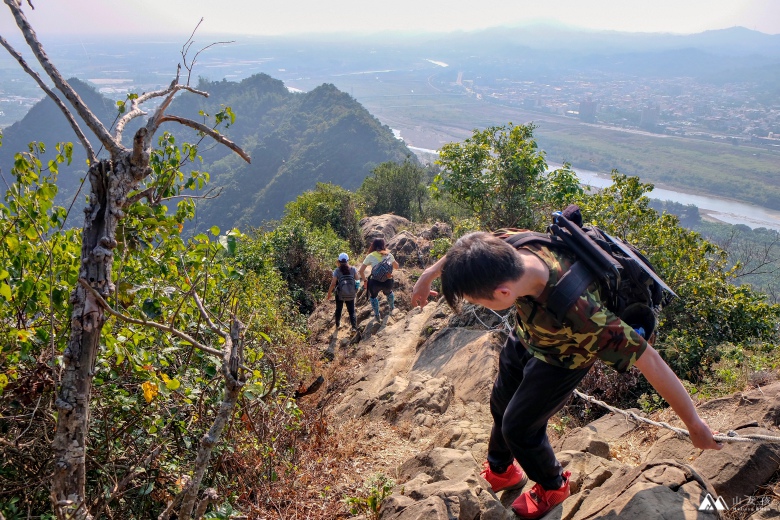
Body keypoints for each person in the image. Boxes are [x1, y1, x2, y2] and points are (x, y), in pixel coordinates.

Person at [411, 231, 722, 519]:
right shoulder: (514, 246)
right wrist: (429, 274)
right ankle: (502, 469)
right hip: (529, 336)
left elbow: (649, 359)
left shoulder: (580, 311)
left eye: (476, 300)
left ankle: (553, 484)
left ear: (503, 291)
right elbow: (473, 243)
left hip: (563, 360)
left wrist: (694, 424)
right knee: (500, 404)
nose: (474, 304)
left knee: (519, 428)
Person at [358, 238, 399, 321]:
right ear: (383, 245)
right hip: (387, 282)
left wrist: (365, 281)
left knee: (373, 297)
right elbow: (397, 267)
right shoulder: (388, 255)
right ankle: (392, 308)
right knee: (389, 293)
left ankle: (377, 315)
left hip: (375, 282)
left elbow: (361, 271)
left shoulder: (370, 256)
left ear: (373, 245)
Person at [326, 252, 359, 331]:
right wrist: (355, 290)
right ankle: (354, 327)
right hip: (351, 293)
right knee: (351, 311)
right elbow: (357, 281)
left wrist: (329, 293)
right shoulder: (353, 269)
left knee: (339, 309)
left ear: (339, 261)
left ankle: (338, 324)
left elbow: (333, 283)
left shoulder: (337, 271)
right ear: (348, 260)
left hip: (340, 294)